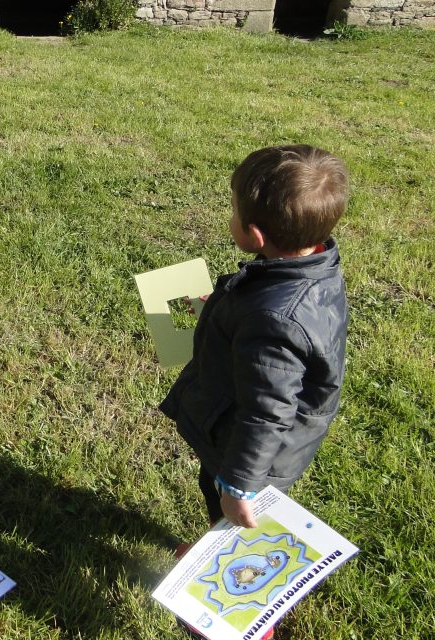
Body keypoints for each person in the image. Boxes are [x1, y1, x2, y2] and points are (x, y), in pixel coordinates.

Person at [160, 145, 349, 637]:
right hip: (264, 445)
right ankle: (218, 542)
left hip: (248, 455)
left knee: (229, 512)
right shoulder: (314, 266)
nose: (230, 218)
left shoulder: (274, 319)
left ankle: (236, 613)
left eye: (233, 212)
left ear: (256, 234)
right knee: (220, 504)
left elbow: (266, 412)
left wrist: (240, 484)